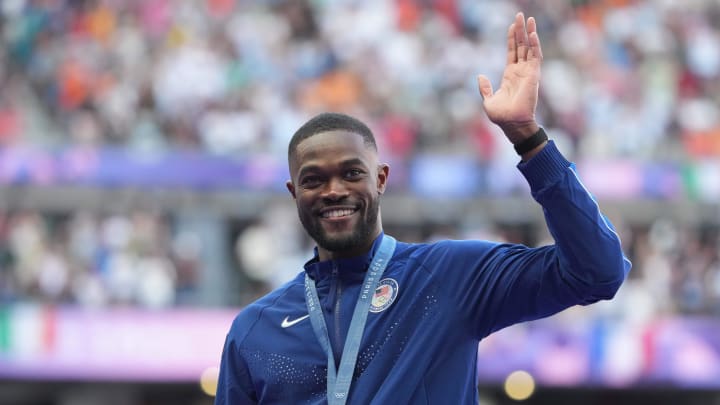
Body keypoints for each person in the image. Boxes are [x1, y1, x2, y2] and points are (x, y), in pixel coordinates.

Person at [215, 12, 631, 404]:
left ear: (380, 179)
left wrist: (528, 139)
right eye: (313, 180)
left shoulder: (450, 276)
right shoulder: (254, 331)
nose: (333, 190)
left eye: (351, 173)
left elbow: (598, 273)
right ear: (294, 191)